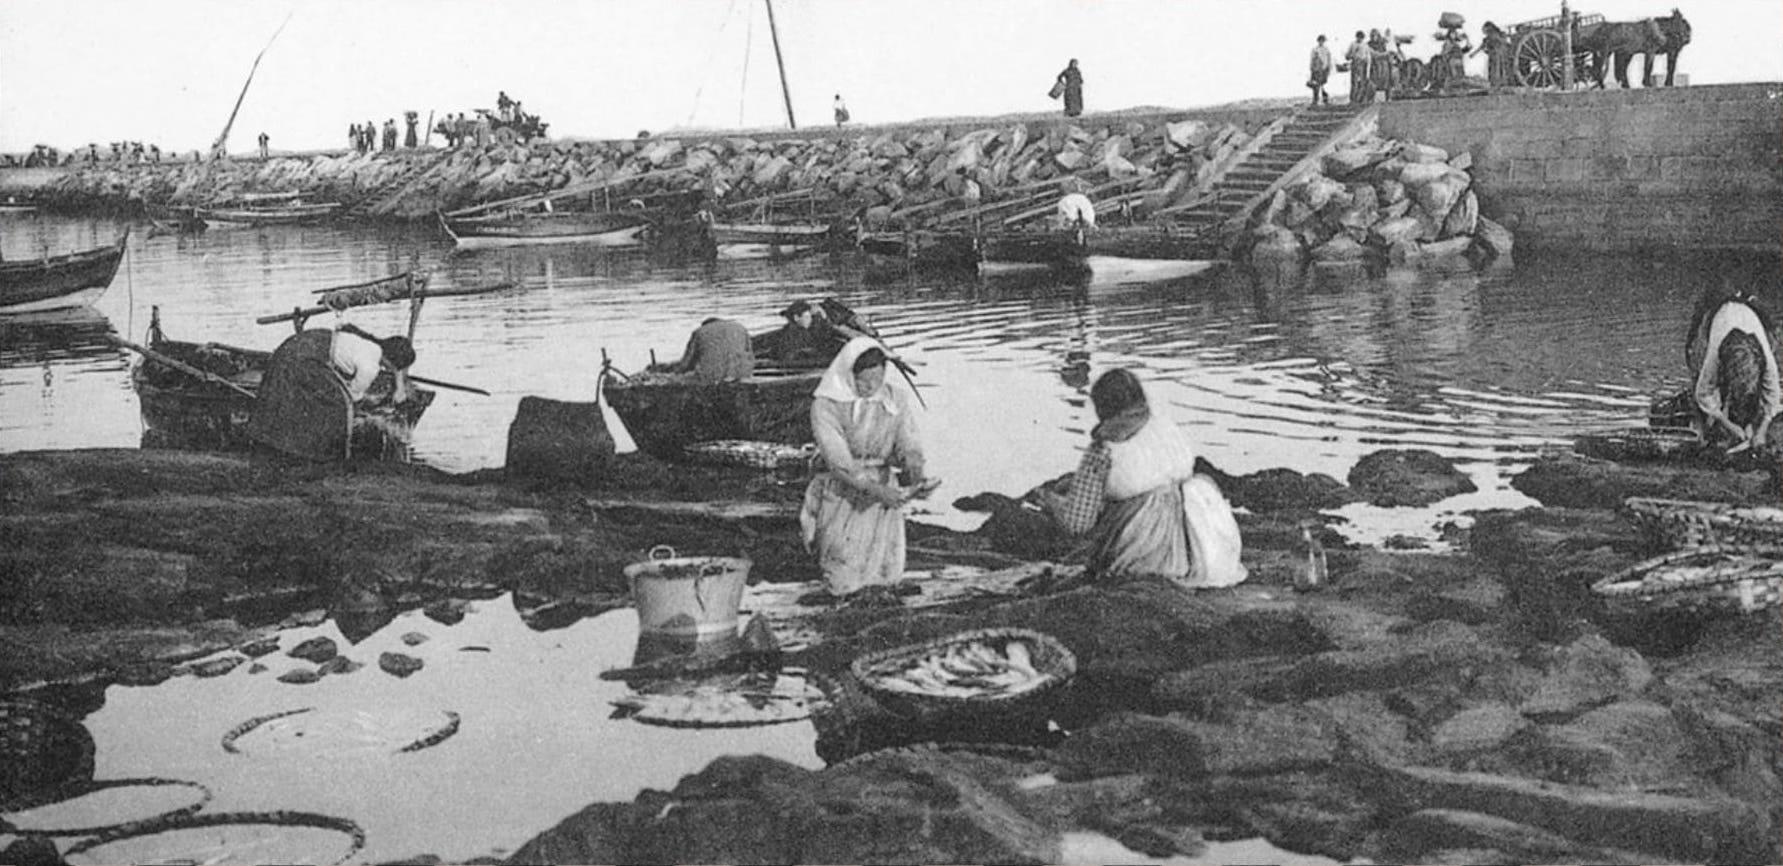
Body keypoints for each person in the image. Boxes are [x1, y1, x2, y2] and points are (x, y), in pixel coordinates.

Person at [1037, 368, 1246, 589]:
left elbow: (1077, 523)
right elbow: (1148, 474)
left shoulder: (1103, 449)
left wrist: (1050, 501)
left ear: (1102, 408)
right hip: (1199, 540)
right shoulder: (1164, 425)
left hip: (1143, 544)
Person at [800, 338, 929, 597]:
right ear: (849, 375)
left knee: (884, 569)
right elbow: (839, 462)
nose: (872, 387)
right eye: (864, 381)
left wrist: (915, 472)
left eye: (878, 380)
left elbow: (908, 443)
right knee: (842, 564)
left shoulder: (895, 399)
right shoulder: (826, 404)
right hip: (842, 489)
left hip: (882, 485)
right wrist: (875, 490)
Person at [245, 325, 416, 460]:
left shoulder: (371, 344)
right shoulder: (370, 367)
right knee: (337, 407)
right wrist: (369, 403)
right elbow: (352, 397)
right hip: (305, 356)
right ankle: (321, 453)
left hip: (305, 341)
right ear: (393, 364)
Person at [1685, 289, 1781, 451]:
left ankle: (1747, 422)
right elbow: (1703, 393)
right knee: (1704, 386)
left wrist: (1762, 431)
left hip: (1750, 316)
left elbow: (1773, 396)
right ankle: (1709, 432)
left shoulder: (1766, 359)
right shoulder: (1715, 354)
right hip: (1719, 318)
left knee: (1752, 395)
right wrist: (1728, 425)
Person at [654, 317, 753, 383]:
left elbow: (686, 364)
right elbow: (750, 356)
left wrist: (672, 374)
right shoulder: (740, 328)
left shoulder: (699, 332)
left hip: (710, 377)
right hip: (741, 374)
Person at [769, 300, 835, 367]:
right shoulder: (797, 334)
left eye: (810, 317)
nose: (810, 320)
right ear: (796, 318)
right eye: (806, 317)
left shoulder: (792, 330)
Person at [1474, 22, 1511, 87]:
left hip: (1498, 54)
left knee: (1498, 69)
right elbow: (1482, 46)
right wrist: (1474, 53)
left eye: (1485, 29)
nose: (1484, 31)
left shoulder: (1494, 35)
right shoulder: (1489, 37)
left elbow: (1503, 43)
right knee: (1494, 69)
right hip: (1494, 55)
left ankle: (1499, 83)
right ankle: (1495, 83)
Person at [1345, 31, 1373, 104]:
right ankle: (1352, 100)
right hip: (1355, 64)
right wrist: (1352, 55)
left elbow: (1368, 57)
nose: (1360, 39)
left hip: (1363, 65)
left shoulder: (1365, 46)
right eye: (1358, 37)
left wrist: (1367, 69)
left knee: (1362, 83)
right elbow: (1347, 55)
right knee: (1354, 83)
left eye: (1361, 38)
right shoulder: (1352, 44)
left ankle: (1360, 99)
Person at [1308, 35, 1333, 105]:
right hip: (1316, 70)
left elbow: (1329, 59)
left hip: (1324, 69)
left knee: (1323, 85)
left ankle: (1325, 99)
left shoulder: (1326, 49)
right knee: (1316, 85)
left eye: (1323, 40)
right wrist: (1312, 68)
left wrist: (1328, 68)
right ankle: (1315, 100)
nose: (1321, 42)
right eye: (1320, 40)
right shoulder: (1315, 49)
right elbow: (1312, 60)